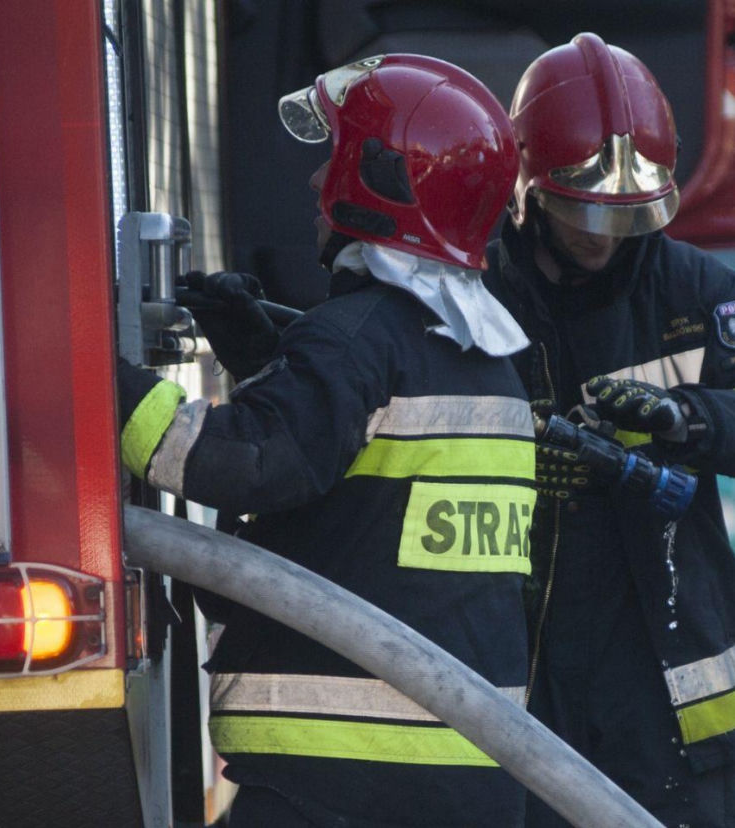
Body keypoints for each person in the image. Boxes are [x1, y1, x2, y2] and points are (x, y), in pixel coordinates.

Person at [118, 54, 536, 826]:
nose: (316, 184)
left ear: (380, 180)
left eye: (332, 159)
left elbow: (247, 463)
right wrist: (261, 360)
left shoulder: (359, 341)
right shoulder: (486, 363)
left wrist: (97, 385)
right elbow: (358, 509)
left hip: (340, 779)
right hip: (470, 774)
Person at [482, 32, 735, 827]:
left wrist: (686, 418)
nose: (601, 233)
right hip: (519, 641)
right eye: (580, 209)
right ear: (526, 187)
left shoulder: (698, 293)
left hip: (665, 664)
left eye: (623, 214)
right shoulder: (474, 296)